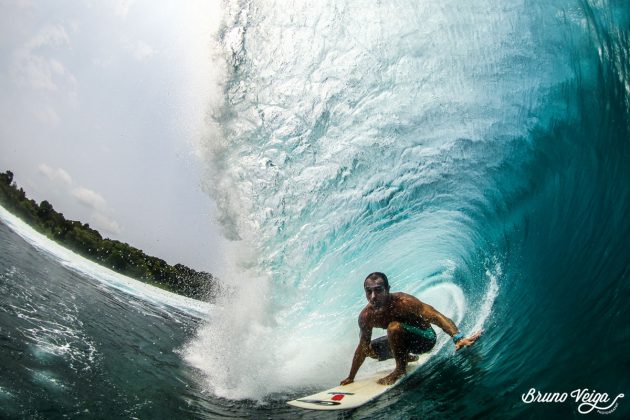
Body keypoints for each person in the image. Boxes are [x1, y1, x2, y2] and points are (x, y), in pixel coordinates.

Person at [340, 272, 482, 386]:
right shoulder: (366, 316)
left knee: (393, 327)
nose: (373, 296)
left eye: (378, 290)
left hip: (425, 339)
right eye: (368, 291)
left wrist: (457, 337)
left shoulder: (404, 302)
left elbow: (436, 316)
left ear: (388, 289)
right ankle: (406, 357)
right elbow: (362, 347)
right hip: (403, 340)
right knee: (368, 349)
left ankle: (400, 370)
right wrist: (351, 377)